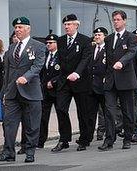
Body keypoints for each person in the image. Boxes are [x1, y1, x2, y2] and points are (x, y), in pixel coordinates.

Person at [0, 17, 45, 163]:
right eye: (16, 27)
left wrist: (26, 77)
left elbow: (37, 66)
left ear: (28, 29)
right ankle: (9, 152)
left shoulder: (38, 46)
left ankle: (30, 152)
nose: (17, 30)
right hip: (12, 93)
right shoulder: (11, 48)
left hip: (31, 92)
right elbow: (7, 73)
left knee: (31, 125)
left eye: (20, 27)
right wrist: (4, 92)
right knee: (9, 124)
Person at [98, 10, 137, 151]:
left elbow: (131, 52)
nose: (116, 22)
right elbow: (108, 60)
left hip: (125, 79)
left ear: (124, 21)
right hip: (110, 80)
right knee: (109, 111)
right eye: (114, 20)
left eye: (118, 19)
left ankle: (127, 138)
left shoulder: (131, 37)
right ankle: (109, 140)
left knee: (127, 111)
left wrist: (122, 62)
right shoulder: (108, 39)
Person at [54, 14, 92, 152]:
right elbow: (60, 59)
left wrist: (77, 73)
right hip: (64, 81)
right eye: (65, 24)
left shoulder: (85, 40)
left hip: (80, 80)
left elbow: (86, 59)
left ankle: (84, 139)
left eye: (69, 24)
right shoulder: (61, 40)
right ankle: (64, 139)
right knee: (61, 108)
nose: (66, 27)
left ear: (76, 25)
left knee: (83, 112)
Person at [37, 34, 61, 148]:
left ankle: (63, 139)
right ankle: (40, 140)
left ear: (56, 44)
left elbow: (63, 72)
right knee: (43, 116)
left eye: (50, 43)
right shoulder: (45, 55)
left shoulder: (61, 56)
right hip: (45, 90)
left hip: (57, 90)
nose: (48, 45)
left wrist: (54, 81)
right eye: (47, 43)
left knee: (61, 114)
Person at [86, 27, 108, 142]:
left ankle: (107, 135)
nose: (97, 37)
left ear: (105, 36)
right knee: (90, 113)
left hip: (104, 86)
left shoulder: (108, 49)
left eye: (99, 35)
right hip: (91, 86)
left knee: (106, 113)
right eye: (96, 35)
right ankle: (88, 137)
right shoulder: (91, 48)